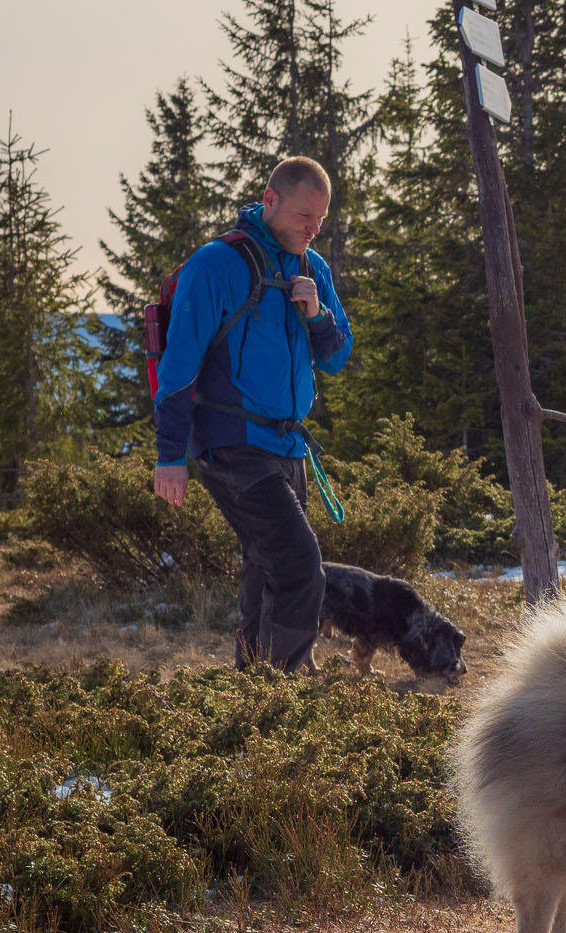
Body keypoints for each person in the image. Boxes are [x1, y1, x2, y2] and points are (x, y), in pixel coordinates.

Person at [151, 155, 353, 673]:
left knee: (267, 569)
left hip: (288, 444)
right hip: (231, 442)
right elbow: (177, 367)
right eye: (304, 216)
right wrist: (169, 455)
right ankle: (286, 687)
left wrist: (318, 317)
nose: (313, 229)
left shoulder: (313, 269)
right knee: (300, 566)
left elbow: (336, 357)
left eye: (321, 220)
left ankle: (254, 692)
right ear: (270, 201)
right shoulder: (216, 264)